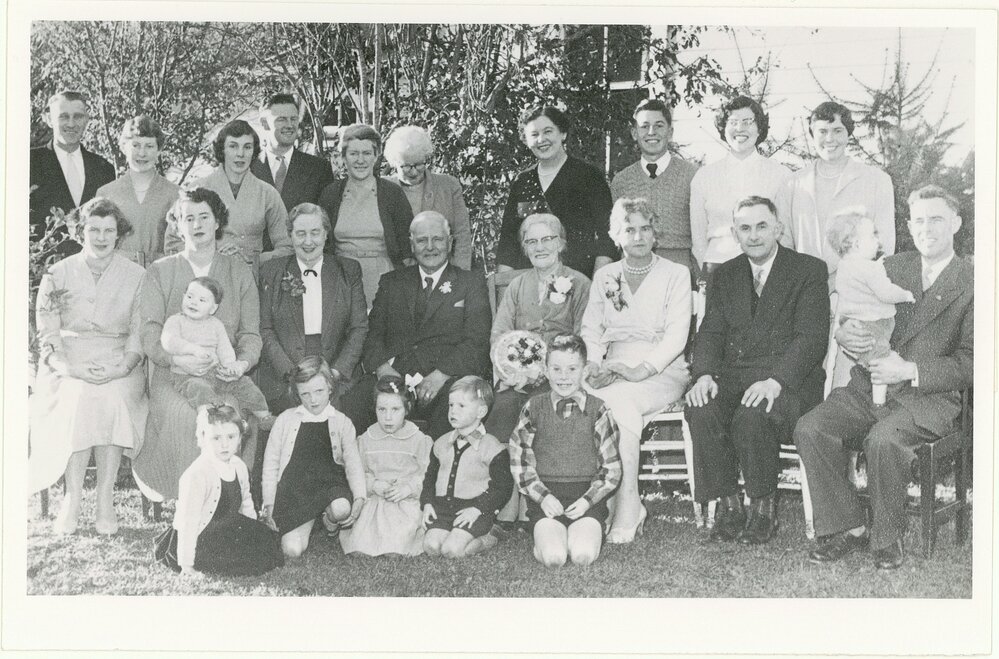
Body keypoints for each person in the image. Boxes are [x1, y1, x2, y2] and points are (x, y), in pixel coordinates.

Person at [796, 184, 973, 570]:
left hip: (929, 398)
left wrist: (911, 370)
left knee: (883, 440)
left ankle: (887, 537)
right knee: (811, 427)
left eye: (937, 219)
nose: (926, 228)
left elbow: (975, 361)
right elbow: (850, 308)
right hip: (867, 386)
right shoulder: (890, 267)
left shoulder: (975, 281)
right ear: (909, 225)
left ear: (957, 223)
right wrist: (843, 331)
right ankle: (850, 526)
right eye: (919, 220)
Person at [684, 196, 829, 545]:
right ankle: (730, 505)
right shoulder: (725, 274)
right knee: (701, 406)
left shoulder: (808, 269)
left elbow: (811, 339)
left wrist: (776, 381)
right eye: (745, 228)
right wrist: (703, 374)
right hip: (734, 378)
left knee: (753, 414)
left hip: (789, 382)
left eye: (761, 226)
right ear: (735, 233)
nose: (754, 235)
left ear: (777, 228)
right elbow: (711, 332)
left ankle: (764, 509)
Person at [134, 187, 263, 502]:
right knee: (183, 415)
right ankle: (189, 502)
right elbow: (149, 331)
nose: (197, 224)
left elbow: (250, 333)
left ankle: (227, 501)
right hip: (173, 377)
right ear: (178, 224)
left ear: (218, 221)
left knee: (228, 412)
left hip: (224, 376)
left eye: (204, 216)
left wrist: (241, 364)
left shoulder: (238, 270)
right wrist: (175, 360)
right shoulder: (160, 271)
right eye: (187, 217)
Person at [28, 197, 147, 535]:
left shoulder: (137, 275)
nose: (101, 237)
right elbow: (47, 328)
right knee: (78, 397)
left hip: (119, 361)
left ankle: (105, 499)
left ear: (119, 235)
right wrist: (66, 367)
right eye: (93, 229)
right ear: (80, 231)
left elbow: (140, 328)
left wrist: (123, 367)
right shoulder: (57, 273)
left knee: (112, 398)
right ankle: (74, 497)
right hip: (69, 361)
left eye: (109, 230)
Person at [581, 197, 692, 543]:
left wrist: (641, 370)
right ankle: (601, 503)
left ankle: (629, 503)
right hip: (613, 365)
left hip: (662, 369)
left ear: (655, 233)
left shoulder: (677, 273)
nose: (639, 236)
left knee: (620, 403)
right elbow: (592, 330)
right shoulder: (605, 276)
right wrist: (593, 364)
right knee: (589, 398)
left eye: (646, 228)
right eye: (630, 229)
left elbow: (677, 336)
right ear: (617, 234)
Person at [338, 211, 492, 440]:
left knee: (455, 407)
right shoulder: (392, 282)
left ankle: (434, 473)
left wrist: (441, 376)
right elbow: (372, 334)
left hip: (446, 378)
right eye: (422, 240)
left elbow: (476, 341)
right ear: (412, 244)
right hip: (394, 376)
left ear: (450, 243)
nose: (430, 247)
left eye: (437, 239)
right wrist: (383, 370)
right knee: (354, 402)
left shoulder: (471, 283)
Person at [485, 213, 591, 532]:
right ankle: (505, 506)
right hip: (518, 379)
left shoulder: (580, 283)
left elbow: (583, 337)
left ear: (561, 243)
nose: (540, 247)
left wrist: (547, 372)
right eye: (532, 241)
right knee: (502, 411)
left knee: (546, 410)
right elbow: (499, 335)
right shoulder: (518, 286)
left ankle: (543, 505)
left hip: (560, 379)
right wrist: (510, 371)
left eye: (547, 239)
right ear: (524, 248)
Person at [510, 334, 623, 567]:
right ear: (546, 370)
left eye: (572, 369)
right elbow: (520, 461)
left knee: (582, 556)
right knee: (555, 558)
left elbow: (611, 469)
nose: (564, 376)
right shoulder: (534, 407)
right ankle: (545, 540)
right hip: (547, 498)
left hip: (585, 499)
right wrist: (543, 497)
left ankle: (582, 532)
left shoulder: (599, 410)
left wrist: (587, 502)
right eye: (556, 369)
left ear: (584, 371)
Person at [258, 203, 368, 412]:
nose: (308, 241)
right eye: (300, 233)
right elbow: (265, 329)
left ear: (326, 234)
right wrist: (291, 374)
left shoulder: (348, 270)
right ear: (290, 235)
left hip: (336, 372)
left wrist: (335, 373)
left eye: (315, 232)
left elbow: (359, 328)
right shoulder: (272, 271)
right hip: (285, 376)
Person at [154, 404, 283, 577]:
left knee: (264, 543)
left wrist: (253, 531)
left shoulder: (239, 466)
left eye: (231, 437)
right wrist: (186, 564)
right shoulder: (197, 474)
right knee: (235, 561)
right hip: (200, 535)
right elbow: (189, 521)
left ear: (240, 438)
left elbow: (245, 501)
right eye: (216, 438)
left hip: (227, 527)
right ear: (202, 438)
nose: (224, 444)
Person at [776, 101, 895, 283]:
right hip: (804, 291)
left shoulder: (877, 180)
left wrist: (837, 282)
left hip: (858, 290)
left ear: (848, 133)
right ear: (812, 135)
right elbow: (782, 242)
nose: (830, 139)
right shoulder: (792, 184)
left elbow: (884, 244)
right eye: (822, 132)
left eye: (838, 131)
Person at [260, 357, 366, 558]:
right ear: (297, 395)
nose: (313, 400)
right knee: (292, 550)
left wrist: (360, 496)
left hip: (330, 485)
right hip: (296, 490)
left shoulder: (342, 422)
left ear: (330, 387)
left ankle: (329, 518)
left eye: (319, 391)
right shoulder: (284, 420)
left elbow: (353, 464)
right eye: (305, 394)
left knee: (342, 509)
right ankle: (314, 521)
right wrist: (269, 504)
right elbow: (270, 465)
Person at [496, 105, 615, 278]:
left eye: (548, 131)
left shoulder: (589, 176)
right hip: (530, 282)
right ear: (526, 140)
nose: (541, 140)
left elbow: (607, 237)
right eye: (534, 134)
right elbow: (508, 242)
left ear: (563, 134)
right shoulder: (523, 182)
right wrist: (505, 291)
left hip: (578, 281)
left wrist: (595, 286)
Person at [164, 120, 292, 269]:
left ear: (254, 151)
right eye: (233, 146)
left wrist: (254, 259)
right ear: (222, 150)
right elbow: (172, 242)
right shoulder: (198, 189)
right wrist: (209, 256)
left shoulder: (267, 193)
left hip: (251, 277)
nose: (240, 154)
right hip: (206, 279)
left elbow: (287, 247)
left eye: (247, 147)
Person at [689, 96, 792, 274]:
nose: (740, 128)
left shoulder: (781, 175)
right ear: (723, 127)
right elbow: (698, 238)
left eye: (747, 121)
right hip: (717, 267)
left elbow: (786, 234)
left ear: (759, 128)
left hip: (767, 270)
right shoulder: (704, 176)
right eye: (733, 122)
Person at [318, 124, 414, 305]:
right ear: (344, 157)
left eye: (367, 153)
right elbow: (321, 244)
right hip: (341, 278)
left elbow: (406, 246)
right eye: (353, 154)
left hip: (383, 278)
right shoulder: (330, 194)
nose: (360, 160)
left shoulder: (392, 194)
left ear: (376, 156)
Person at [825, 210, 915, 403]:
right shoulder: (869, 268)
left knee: (874, 363)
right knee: (883, 366)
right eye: (873, 235)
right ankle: (879, 403)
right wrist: (905, 295)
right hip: (874, 325)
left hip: (854, 324)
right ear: (857, 244)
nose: (878, 241)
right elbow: (886, 292)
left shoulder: (844, 267)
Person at [340, 375, 433, 557]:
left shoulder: (419, 439)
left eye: (395, 409)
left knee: (396, 546)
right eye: (382, 409)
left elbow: (427, 474)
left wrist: (409, 488)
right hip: (376, 502)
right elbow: (357, 473)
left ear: (407, 409)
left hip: (405, 502)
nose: (388, 417)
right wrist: (373, 485)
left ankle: (401, 543)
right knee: (360, 546)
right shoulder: (366, 439)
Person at [421, 376, 512, 558]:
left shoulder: (492, 447)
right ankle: (454, 534)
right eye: (451, 405)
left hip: (474, 511)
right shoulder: (441, 443)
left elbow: (503, 487)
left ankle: (490, 535)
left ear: (481, 411)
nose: (453, 411)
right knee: (431, 547)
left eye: (461, 406)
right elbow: (430, 479)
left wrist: (478, 508)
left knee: (452, 551)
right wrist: (428, 503)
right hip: (444, 509)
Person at [160, 276, 270, 422]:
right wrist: (193, 349)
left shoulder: (216, 324)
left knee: (245, 384)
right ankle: (208, 416)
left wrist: (230, 365)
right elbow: (169, 341)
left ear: (213, 308)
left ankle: (265, 417)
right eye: (190, 296)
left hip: (216, 372)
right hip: (187, 375)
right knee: (198, 388)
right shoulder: (176, 321)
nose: (193, 302)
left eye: (202, 300)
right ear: (183, 297)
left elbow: (224, 348)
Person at [611, 98, 700, 274]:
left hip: (679, 267)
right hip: (634, 268)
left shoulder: (692, 176)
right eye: (644, 126)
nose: (651, 132)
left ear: (670, 132)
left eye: (659, 126)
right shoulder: (621, 181)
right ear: (634, 133)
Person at [30, 90, 115, 256]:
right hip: (42, 272)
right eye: (63, 116)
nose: (71, 123)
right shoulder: (28, 162)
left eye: (78, 116)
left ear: (86, 120)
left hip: (92, 269)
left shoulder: (103, 168)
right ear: (48, 119)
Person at [384, 125, 473, 270]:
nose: (413, 172)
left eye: (419, 164)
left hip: (442, 273)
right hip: (398, 275)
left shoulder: (448, 186)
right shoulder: (384, 189)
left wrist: (460, 276)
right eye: (406, 166)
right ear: (394, 163)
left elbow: (461, 235)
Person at [96, 114, 180, 265]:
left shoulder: (175, 194)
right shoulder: (106, 194)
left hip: (160, 274)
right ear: (124, 147)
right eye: (136, 145)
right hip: (118, 274)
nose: (142, 153)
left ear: (159, 150)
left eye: (149, 146)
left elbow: (179, 244)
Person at [250, 93, 334, 211]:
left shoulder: (319, 169)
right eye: (281, 119)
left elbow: (326, 221)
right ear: (264, 123)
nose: (289, 125)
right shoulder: (248, 169)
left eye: (293, 119)